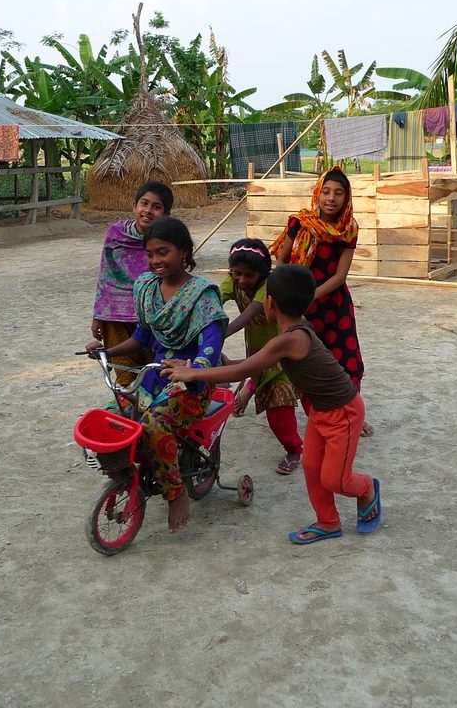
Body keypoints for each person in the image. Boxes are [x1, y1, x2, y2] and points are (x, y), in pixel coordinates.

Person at [163, 264, 381, 544]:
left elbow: (243, 372)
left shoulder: (291, 339)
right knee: (313, 469)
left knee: (335, 479)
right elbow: (250, 364)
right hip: (322, 411)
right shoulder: (292, 335)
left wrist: (192, 373)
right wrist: (194, 366)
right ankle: (328, 522)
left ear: (270, 302)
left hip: (344, 413)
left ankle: (367, 490)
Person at [87, 216, 228, 533]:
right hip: (155, 377)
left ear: (184, 252)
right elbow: (143, 338)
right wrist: (106, 352)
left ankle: (176, 495)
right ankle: (131, 476)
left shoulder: (202, 294)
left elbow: (211, 344)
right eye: (150, 254)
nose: (155, 261)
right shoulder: (146, 288)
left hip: (193, 383)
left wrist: (194, 369)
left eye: (163, 252)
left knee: (152, 424)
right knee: (113, 416)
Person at [269, 165, 374, 437]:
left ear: (346, 197)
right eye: (326, 191)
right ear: (317, 193)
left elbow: (340, 276)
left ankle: (354, 414)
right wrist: (290, 295)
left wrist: (311, 295)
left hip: (335, 305)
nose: (331, 198)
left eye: (339, 193)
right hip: (299, 306)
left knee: (347, 359)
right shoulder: (299, 222)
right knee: (307, 363)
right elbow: (281, 260)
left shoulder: (349, 229)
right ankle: (320, 416)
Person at [221, 238, 304, 476]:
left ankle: (294, 449)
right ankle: (251, 385)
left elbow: (250, 314)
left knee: (281, 403)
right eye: (237, 274)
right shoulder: (233, 281)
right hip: (258, 347)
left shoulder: (269, 286)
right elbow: (214, 298)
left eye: (249, 275)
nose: (242, 280)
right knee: (263, 379)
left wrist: (220, 335)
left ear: (263, 273)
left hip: (286, 344)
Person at [91, 181, 174, 386]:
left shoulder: (169, 240)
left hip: (153, 317)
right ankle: (133, 414)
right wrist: (98, 316)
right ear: (134, 205)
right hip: (115, 318)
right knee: (126, 378)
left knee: (154, 375)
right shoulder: (115, 234)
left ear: (166, 213)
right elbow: (105, 277)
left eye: (156, 206)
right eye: (144, 204)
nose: (148, 211)